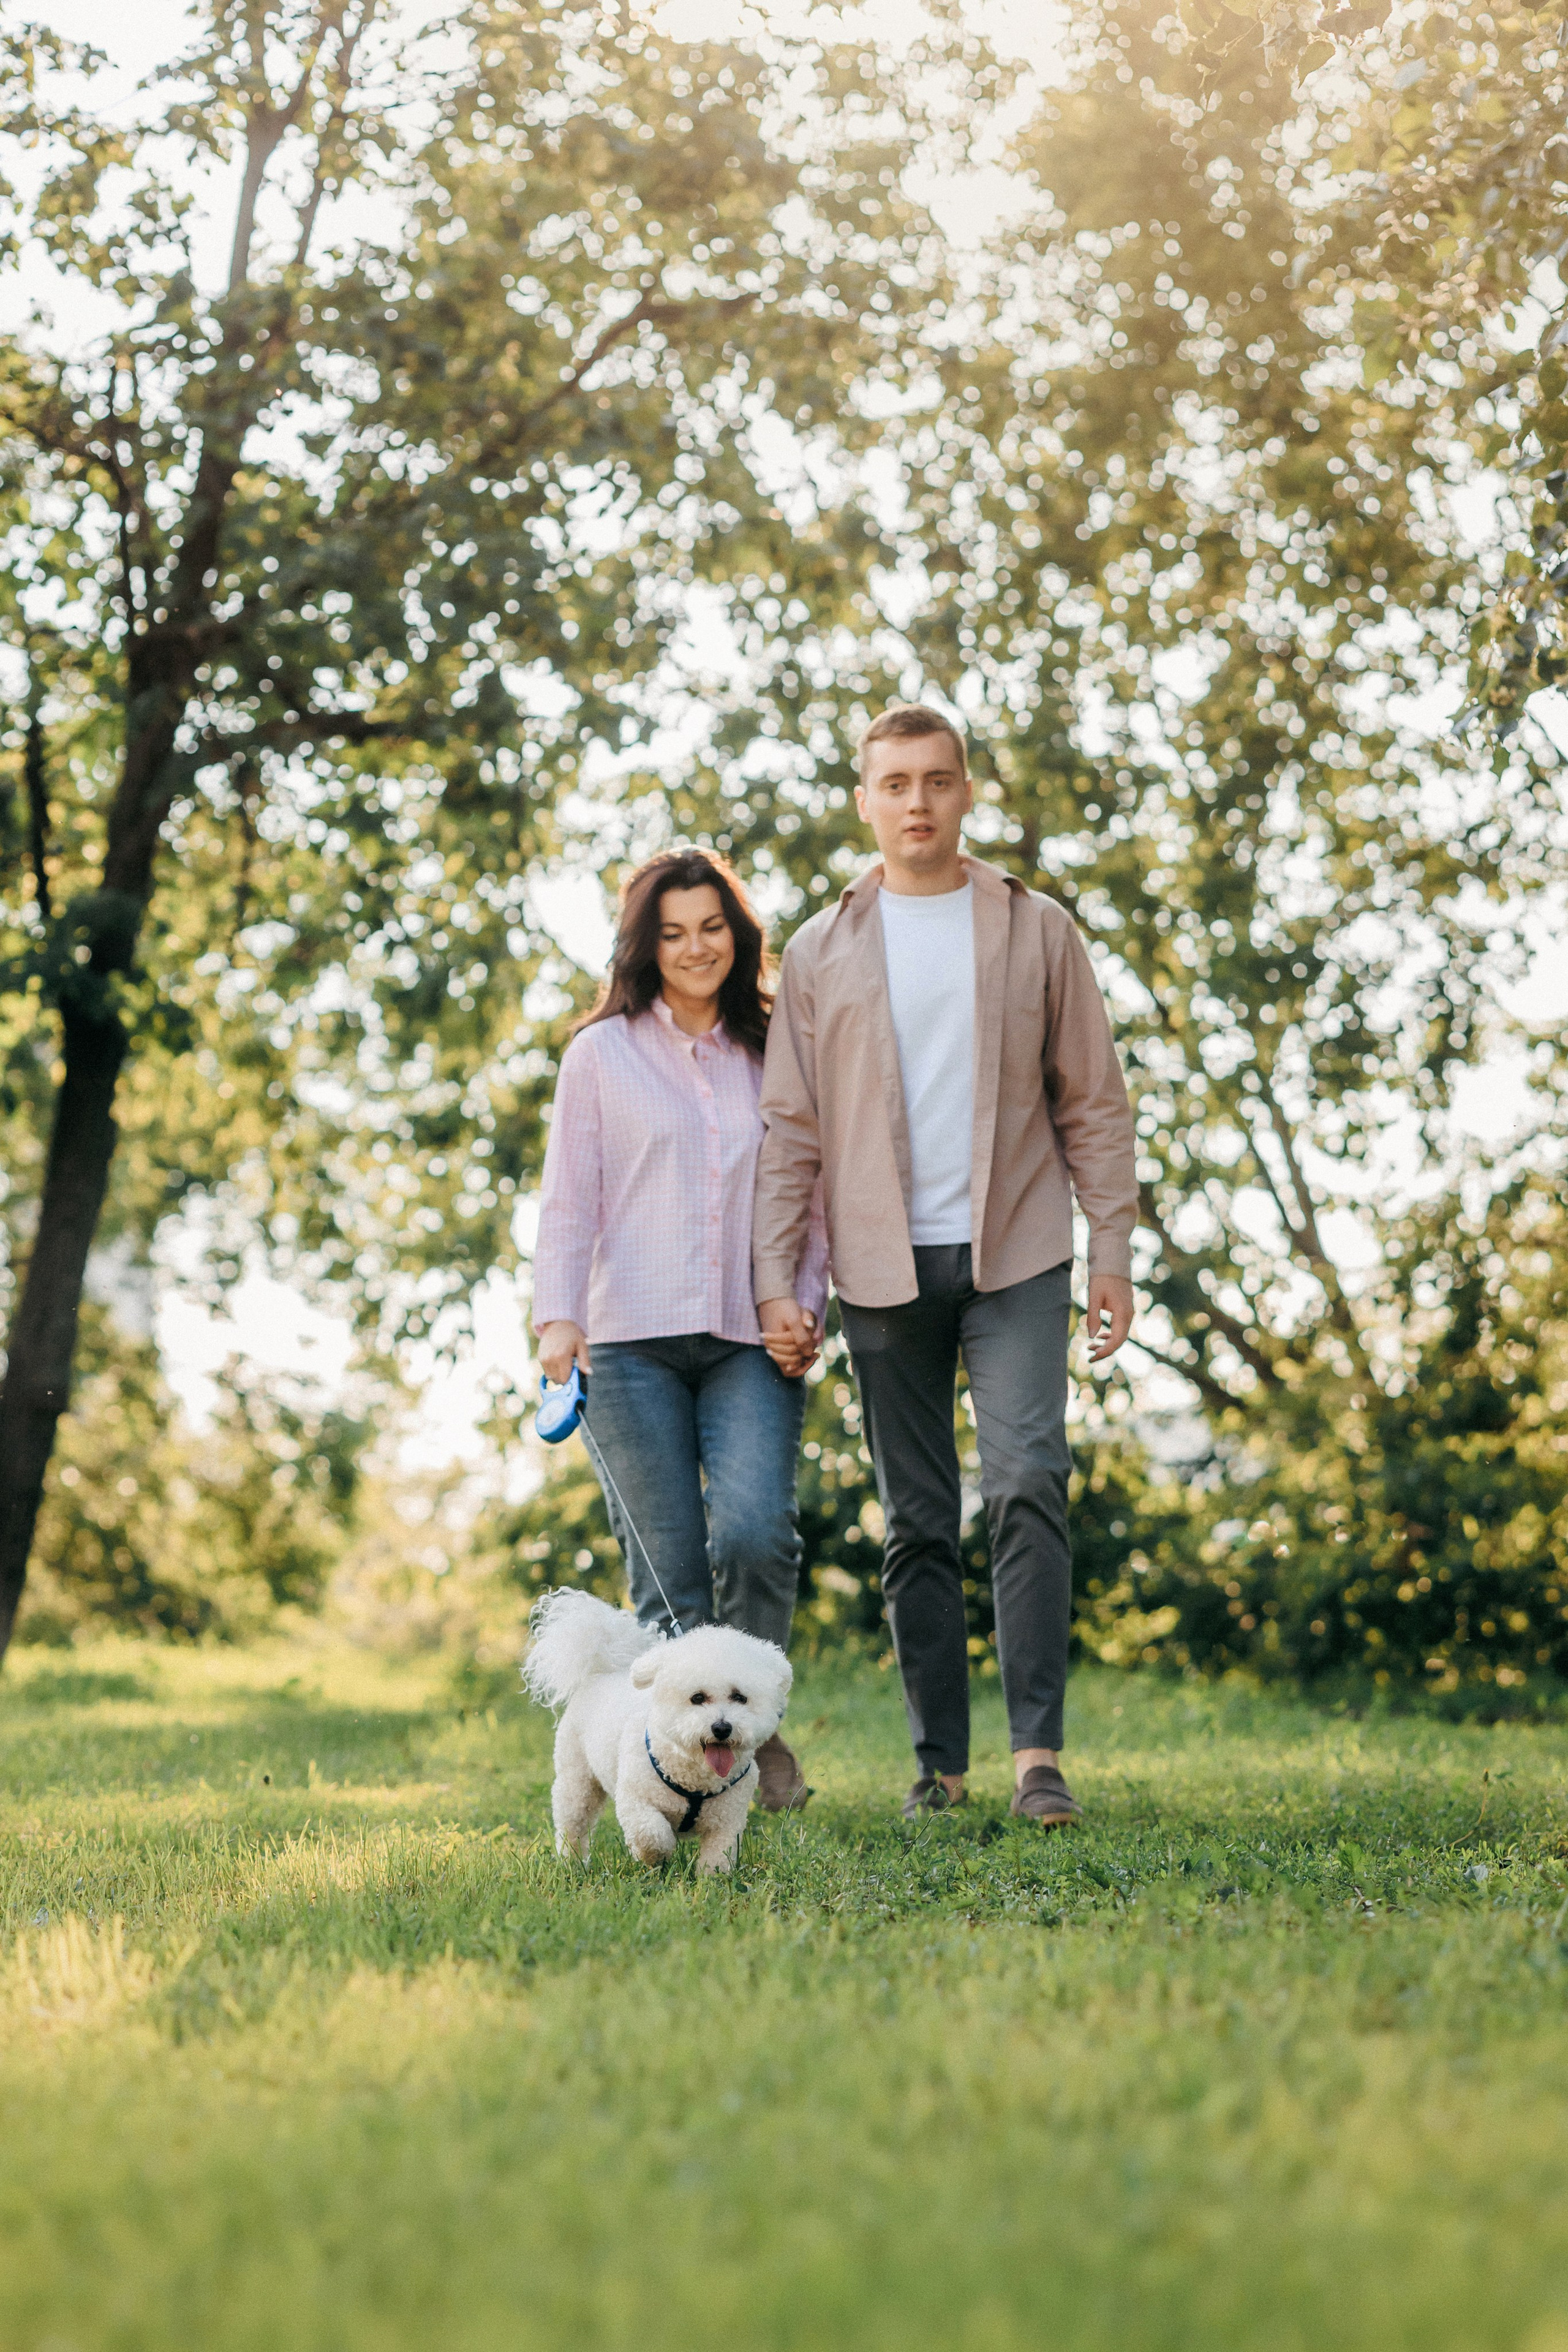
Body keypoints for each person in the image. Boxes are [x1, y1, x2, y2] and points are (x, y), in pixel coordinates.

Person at [753, 706, 1138, 1826]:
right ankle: (941, 1767)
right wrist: (778, 1279)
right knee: (917, 1517)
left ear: (967, 791)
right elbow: (791, 1130)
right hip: (881, 1267)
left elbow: (1094, 1101)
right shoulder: (820, 950)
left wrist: (1111, 1250)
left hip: (1019, 1250)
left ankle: (1037, 1761)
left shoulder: (1038, 930)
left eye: (936, 780)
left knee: (1027, 1482)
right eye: (895, 783)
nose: (916, 802)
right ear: (864, 801)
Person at [533, 848, 827, 1813]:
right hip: (628, 1342)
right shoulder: (600, 1054)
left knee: (756, 1535)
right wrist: (558, 1318)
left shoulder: (779, 1050)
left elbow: (811, 1190)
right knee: (668, 1577)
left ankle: (754, 1730)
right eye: (672, 933)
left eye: (712, 927)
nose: (696, 947)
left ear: (738, 937)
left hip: (752, 1334)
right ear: (645, 946)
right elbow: (570, 1197)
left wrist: (807, 1299)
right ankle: (679, 1778)